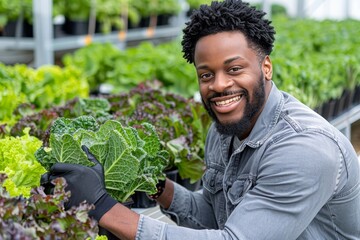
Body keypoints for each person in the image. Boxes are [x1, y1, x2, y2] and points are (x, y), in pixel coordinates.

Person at [41, 0, 360, 239]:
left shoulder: (305, 149)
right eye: (206, 74)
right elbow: (213, 215)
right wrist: (157, 186)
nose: (219, 85)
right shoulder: (223, 131)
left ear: (266, 68)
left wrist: (103, 207)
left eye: (234, 69)